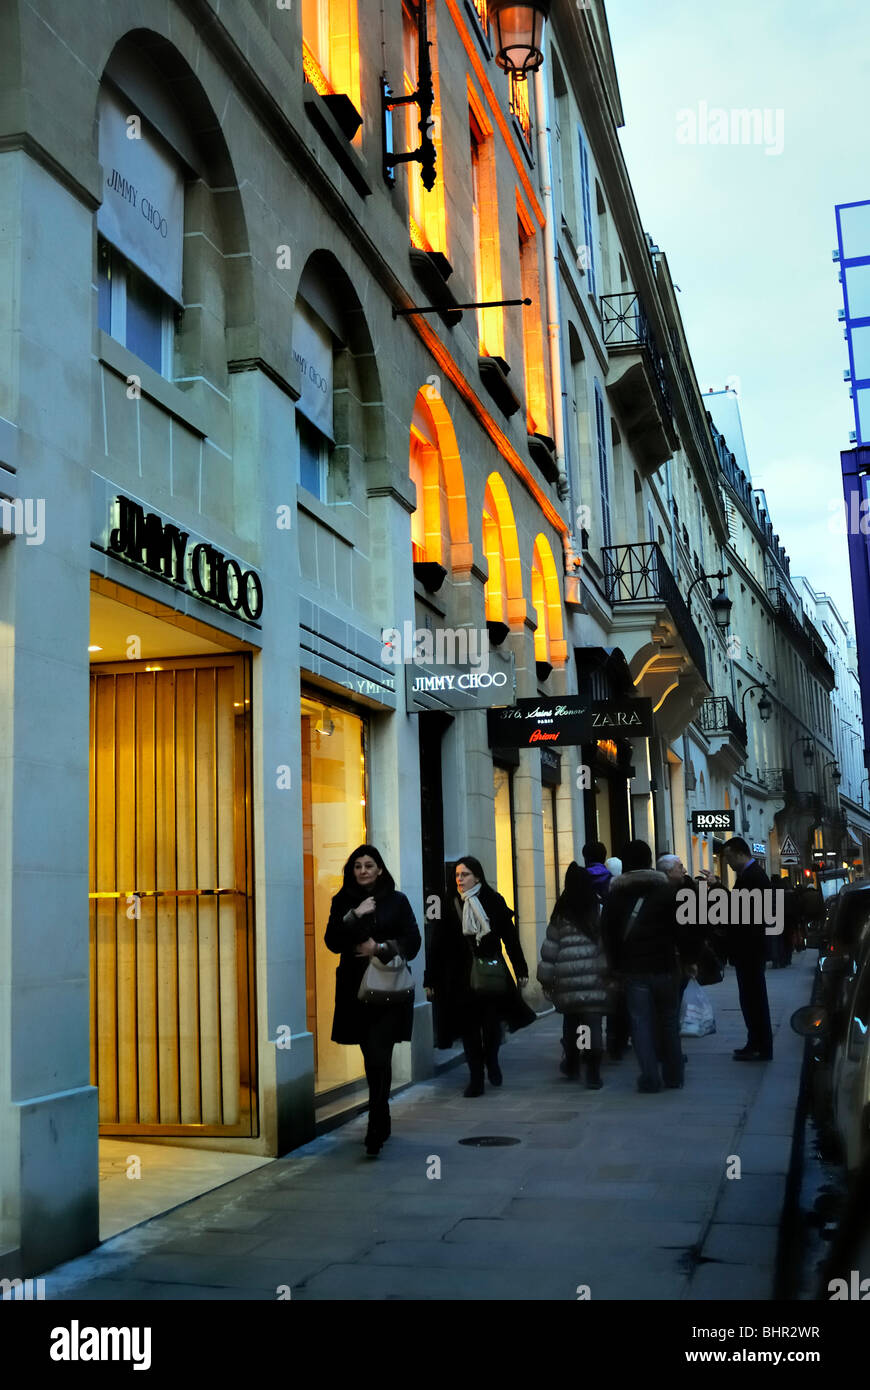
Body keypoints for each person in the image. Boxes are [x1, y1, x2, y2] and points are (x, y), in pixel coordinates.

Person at [325, 844, 421, 1156]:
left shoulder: (397, 900)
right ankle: (382, 1114)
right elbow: (331, 942)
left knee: (380, 1054)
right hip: (357, 992)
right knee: (373, 1057)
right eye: (357, 866)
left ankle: (375, 1124)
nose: (363, 870)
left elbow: (413, 941)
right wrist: (354, 915)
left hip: (389, 991)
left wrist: (380, 948)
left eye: (369, 865)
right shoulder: (343, 901)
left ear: (380, 869)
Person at [425, 856, 535, 1096]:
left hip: (491, 972)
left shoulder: (493, 900)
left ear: (477, 876)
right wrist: (431, 979)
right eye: (457, 875)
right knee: (469, 1029)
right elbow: (437, 945)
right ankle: (476, 1078)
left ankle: (492, 1059)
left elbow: (510, 938)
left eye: (464, 874)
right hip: (460, 978)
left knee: (492, 1025)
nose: (460, 879)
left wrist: (521, 969)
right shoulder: (450, 903)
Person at [601, 839, 693, 1093]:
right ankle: (674, 1075)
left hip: (633, 970)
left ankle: (650, 1078)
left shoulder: (616, 895)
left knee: (640, 1023)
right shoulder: (667, 893)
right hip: (665, 966)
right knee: (668, 1022)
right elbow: (683, 930)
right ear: (649, 860)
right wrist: (687, 959)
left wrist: (613, 967)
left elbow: (607, 934)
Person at [537, 863, 613, 1088]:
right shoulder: (597, 908)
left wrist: (546, 979)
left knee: (573, 1024)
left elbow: (550, 948)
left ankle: (572, 1062)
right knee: (592, 1024)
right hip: (593, 977)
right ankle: (593, 1071)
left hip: (567, 977)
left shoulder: (561, 910)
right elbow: (605, 944)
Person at [723, 836, 773, 1061]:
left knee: (754, 999)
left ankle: (759, 1045)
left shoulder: (752, 877)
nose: (727, 863)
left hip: (750, 949)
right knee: (752, 999)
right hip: (750, 948)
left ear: (738, 853)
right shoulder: (751, 875)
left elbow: (745, 915)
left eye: (728, 857)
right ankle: (756, 1042)